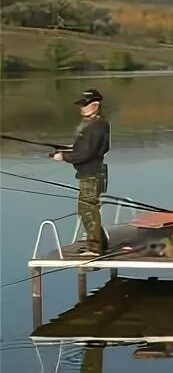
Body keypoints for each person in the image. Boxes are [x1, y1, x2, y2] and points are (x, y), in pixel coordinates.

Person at [53, 89, 110, 256]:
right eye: (81, 105)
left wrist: (64, 156)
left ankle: (95, 248)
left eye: (84, 105)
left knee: (87, 209)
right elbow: (88, 149)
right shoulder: (95, 125)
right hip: (92, 172)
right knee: (87, 208)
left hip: (92, 174)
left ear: (95, 105)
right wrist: (68, 150)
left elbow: (87, 153)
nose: (81, 108)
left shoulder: (97, 126)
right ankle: (101, 244)